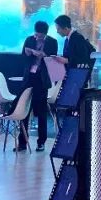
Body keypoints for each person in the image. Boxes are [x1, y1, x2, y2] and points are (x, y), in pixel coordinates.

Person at [17, 20, 58, 153]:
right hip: (29, 78)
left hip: (42, 79)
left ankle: (41, 142)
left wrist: (43, 55)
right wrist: (28, 53)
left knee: (41, 112)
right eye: (36, 34)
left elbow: (53, 59)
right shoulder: (29, 39)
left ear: (45, 33)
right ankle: (22, 142)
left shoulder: (52, 42)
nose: (37, 37)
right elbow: (23, 57)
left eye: (40, 35)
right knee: (24, 109)